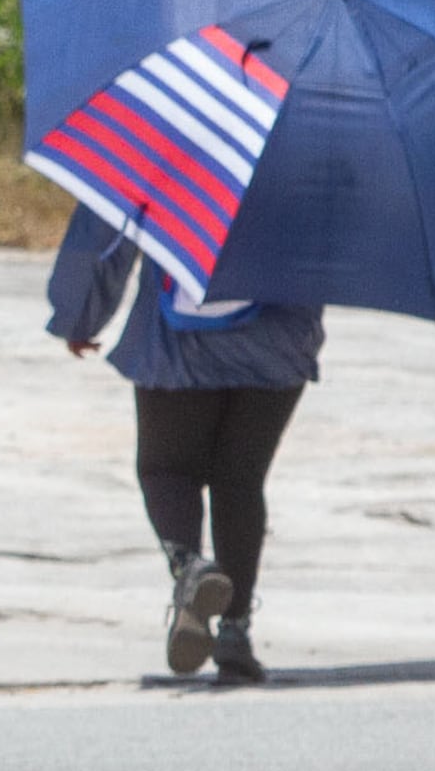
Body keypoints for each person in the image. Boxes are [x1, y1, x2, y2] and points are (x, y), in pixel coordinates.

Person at [47, 212, 328, 686]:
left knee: (165, 471)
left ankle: (192, 569)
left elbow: (106, 231)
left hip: (178, 341)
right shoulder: (320, 148)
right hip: (279, 338)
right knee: (240, 482)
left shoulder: (167, 145)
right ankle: (234, 633)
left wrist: (80, 314)